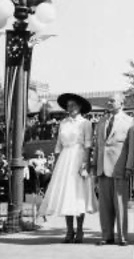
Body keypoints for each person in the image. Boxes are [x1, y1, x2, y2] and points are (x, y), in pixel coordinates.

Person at [39, 93, 97, 243]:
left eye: (73, 105)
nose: (70, 108)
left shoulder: (85, 123)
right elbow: (58, 145)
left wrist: (85, 164)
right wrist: (55, 164)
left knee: (79, 193)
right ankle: (69, 230)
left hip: (79, 157)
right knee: (66, 194)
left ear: (79, 107)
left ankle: (80, 230)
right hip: (65, 159)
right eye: (68, 106)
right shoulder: (63, 123)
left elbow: (88, 145)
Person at [92, 93, 134, 246]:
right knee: (104, 205)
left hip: (119, 167)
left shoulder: (130, 121)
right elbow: (98, 146)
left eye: (112, 100)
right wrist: (95, 165)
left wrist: (130, 166)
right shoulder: (102, 121)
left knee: (120, 204)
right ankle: (106, 235)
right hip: (103, 168)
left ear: (121, 103)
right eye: (108, 100)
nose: (108, 103)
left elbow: (131, 147)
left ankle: (122, 237)